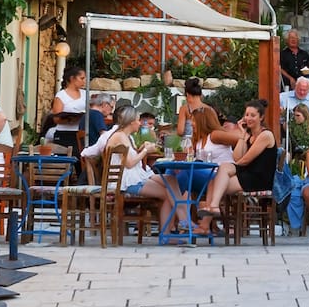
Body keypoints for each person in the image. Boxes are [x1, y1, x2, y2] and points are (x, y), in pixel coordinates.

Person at [100, 105, 204, 239]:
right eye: (138, 120)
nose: (140, 123)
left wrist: (141, 149)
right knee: (169, 193)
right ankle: (173, 229)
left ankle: (183, 221)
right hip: (127, 181)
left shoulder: (127, 137)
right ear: (131, 122)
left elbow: (128, 157)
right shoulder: (119, 137)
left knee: (171, 180)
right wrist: (145, 151)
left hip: (136, 175)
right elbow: (130, 163)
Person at [200, 99, 279, 230]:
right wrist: (242, 135)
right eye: (246, 115)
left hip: (259, 178)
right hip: (248, 174)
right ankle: (210, 213)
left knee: (219, 179)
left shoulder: (266, 135)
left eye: (253, 115)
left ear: (261, 117)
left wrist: (233, 168)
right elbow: (236, 156)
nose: (248, 118)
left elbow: (245, 160)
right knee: (215, 180)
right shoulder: (249, 136)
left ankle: (209, 216)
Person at [44, 68, 88, 153]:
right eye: (82, 78)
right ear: (72, 78)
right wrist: (71, 119)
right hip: (64, 133)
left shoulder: (85, 94)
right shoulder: (61, 95)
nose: (84, 81)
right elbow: (56, 118)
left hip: (81, 133)